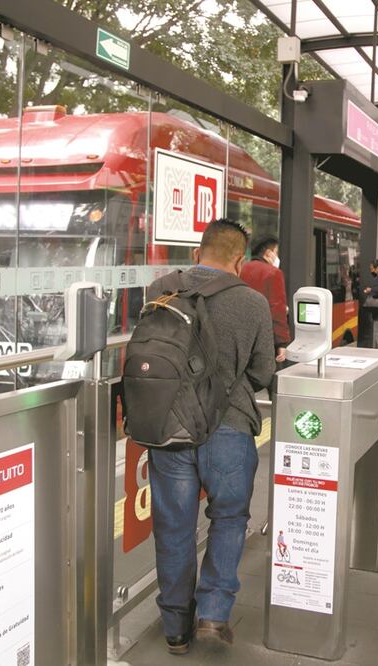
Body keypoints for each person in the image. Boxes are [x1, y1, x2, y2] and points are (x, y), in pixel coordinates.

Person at [146, 218, 276, 654]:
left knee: (174, 526)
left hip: (170, 427)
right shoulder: (252, 302)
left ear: (198, 253)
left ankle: (175, 629)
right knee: (229, 518)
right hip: (230, 427)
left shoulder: (161, 289)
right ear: (239, 260)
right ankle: (214, 615)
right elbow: (262, 371)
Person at [240, 234, 290, 364]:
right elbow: (277, 310)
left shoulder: (241, 268)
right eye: (276, 252)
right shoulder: (273, 273)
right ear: (268, 253)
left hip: (241, 337)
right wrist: (282, 343)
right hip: (264, 340)